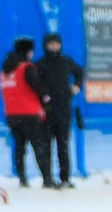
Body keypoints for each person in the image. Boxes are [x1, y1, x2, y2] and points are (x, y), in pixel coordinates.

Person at [27, 31, 85, 188]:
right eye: (51, 43)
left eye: (57, 43)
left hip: (64, 110)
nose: (54, 46)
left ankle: (65, 178)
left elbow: (80, 72)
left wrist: (76, 86)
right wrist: (41, 100)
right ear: (45, 45)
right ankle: (47, 178)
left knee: (63, 146)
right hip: (47, 111)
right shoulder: (39, 64)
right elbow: (33, 84)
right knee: (46, 146)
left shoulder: (66, 61)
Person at [0, 36, 48, 188]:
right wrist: (46, 98)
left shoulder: (4, 71)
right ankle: (47, 179)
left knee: (19, 149)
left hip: (12, 115)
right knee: (39, 147)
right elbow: (38, 88)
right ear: (27, 52)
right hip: (29, 114)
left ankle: (22, 179)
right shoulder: (26, 68)